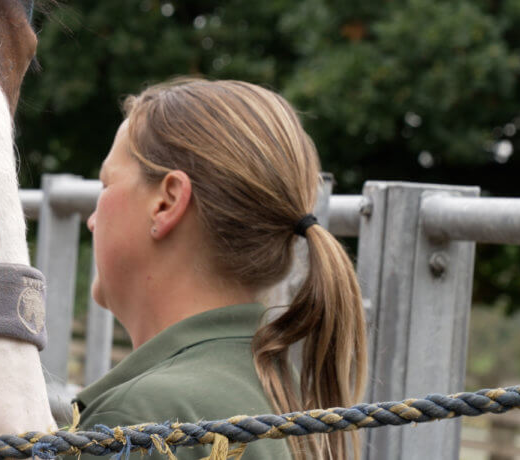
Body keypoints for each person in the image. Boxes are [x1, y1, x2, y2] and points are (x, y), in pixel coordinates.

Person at [75, 78, 367, 460]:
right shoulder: (285, 395)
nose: (91, 220)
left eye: (105, 183)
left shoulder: (135, 419)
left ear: (166, 202)